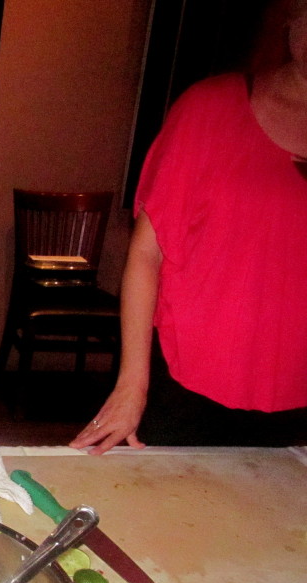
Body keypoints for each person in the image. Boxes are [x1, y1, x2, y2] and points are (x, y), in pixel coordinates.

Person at [71, 0, 307, 454]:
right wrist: (131, 388)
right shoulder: (210, 107)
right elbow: (145, 254)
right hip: (189, 383)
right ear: (290, 17)